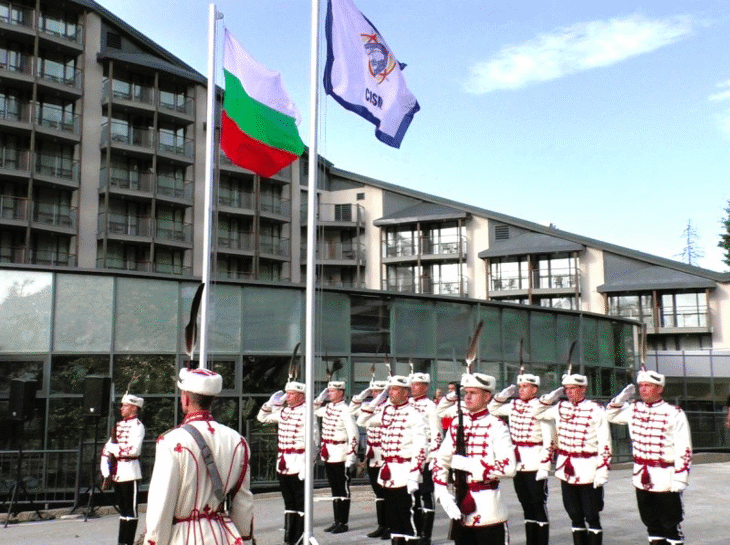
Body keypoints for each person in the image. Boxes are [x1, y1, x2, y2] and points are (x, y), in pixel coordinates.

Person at [143, 367, 253, 545]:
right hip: (221, 536)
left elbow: (161, 505)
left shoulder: (171, 441)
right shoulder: (237, 441)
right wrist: (243, 535)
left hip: (183, 537)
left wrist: (153, 541)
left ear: (185, 398)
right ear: (213, 399)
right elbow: (243, 501)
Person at [606, 370, 692, 545]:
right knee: (651, 524)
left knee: (670, 525)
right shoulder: (633, 409)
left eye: (648, 386)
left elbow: (684, 448)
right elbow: (609, 415)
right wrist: (621, 399)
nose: (643, 390)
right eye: (641, 386)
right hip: (641, 476)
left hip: (665, 477)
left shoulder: (674, 413)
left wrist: (680, 478)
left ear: (659, 388)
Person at [432, 372, 517, 545]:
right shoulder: (457, 424)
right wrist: (441, 491)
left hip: (489, 510)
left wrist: (470, 465)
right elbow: (441, 459)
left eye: (473, 393)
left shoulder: (497, 426)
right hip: (461, 505)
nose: (467, 397)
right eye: (466, 393)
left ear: (487, 396)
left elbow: (509, 467)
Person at [533, 373, 611, 545]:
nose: (568, 393)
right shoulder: (560, 407)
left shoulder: (595, 409)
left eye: (572, 389)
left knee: (591, 514)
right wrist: (549, 398)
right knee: (574, 514)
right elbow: (536, 412)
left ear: (583, 389)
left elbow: (605, 442)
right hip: (566, 469)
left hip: (588, 469)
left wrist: (602, 470)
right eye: (566, 389)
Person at [357, 375, 428, 545]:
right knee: (393, 517)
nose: (391, 393)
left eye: (395, 389)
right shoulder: (386, 412)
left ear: (406, 392)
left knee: (408, 516)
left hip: (405, 472)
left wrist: (414, 475)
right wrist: (376, 401)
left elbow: (421, 448)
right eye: (389, 390)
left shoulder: (414, 414)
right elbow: (362, 420)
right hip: (388, 473)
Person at [489, 373, 555, 545]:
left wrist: (545, 466)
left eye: (525, 387)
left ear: (534, 389)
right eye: (520, 387)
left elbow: (549, 440)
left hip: (534, 461)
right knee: (525, 504)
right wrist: (502, 396)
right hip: (518, 462)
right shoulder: (514, 405)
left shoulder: (541, 408)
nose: (521, 390)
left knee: (538, 504)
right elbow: (492, 409)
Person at [257, 379, 318, 545]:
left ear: (300, 396)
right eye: (287, 393)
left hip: (299, 463)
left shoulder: (307, 413)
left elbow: (313, 441)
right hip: (283, 462)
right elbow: (262, 417)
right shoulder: (284, 412)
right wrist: (270, 404)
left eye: (291, 394)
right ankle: (289, 538)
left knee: (300, 502)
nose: (287, 397)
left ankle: (300, 537)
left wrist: (308, 465)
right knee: (289, 502)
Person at [314, 379, 359, 534]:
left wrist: (351, 455)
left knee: (343, 488)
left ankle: (343, 522)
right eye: (329, 391)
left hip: (341, 453)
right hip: (329, 453)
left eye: (332, 391)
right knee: (334, 488)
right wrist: (320, 398)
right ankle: (336, 520)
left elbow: (353, 434)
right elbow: (312, 410)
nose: (329, 393)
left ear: (341, 392)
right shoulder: (328, 408)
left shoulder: (345, 410)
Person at [100, 393, 145, 545]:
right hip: (117, 474)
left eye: (125, 406)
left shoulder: (138, 426)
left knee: (131, 511)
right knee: (123, 511)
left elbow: (134, 450)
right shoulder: (118, 426)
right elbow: (106, 448)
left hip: (130, 472)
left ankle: (128, 542)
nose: (121, 408)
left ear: (134, 408)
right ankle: (122, 542)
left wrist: (114, 448)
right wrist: (106, 470)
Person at [350, 379, 390, 539]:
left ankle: (391, 526)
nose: (375, 393)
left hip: (385, 454)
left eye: (378, 391)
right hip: (372, 455)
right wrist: (362, 395)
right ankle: (382, 525)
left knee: (388, 492)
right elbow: (352, 409)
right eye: (373, 391)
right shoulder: (369, 407)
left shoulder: (388, 408)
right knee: (378, 493)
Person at [409, 372, 442, 545]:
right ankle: (416, 530)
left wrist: (433, 456)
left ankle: (426, 534)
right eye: (412, 384)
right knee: (412, 495)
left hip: (426, 456)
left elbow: (437, 433)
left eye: (417, 384)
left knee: (426, 494)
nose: (413, 387)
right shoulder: (408, 404)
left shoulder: (430, 406)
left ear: (425, 387)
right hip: (410, 456)